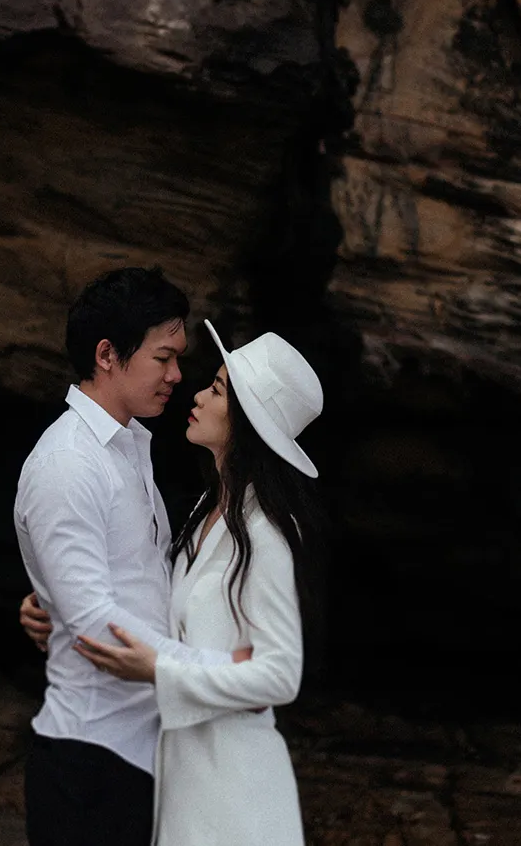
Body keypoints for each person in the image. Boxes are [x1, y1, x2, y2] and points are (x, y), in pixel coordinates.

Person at [14, 268, 247, 846]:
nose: (177, 375)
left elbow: (136, 585)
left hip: (141, 753)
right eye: (163, 357)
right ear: (108, 354)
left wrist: (48, 603)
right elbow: (96, 624)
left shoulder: (128, 446)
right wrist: (226, 676)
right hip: (90, 756)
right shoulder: (68, 462)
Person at [73, 318, 324, 846]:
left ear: (248, 420)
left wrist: (160, 668)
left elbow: (280, 677)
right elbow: (153, 597)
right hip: (187, 772)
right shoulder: (205, 512)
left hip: (238, 787)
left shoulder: (267, 532)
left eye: (216, 390)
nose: (198, 395)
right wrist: (58, 599)